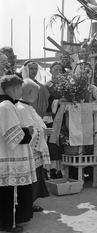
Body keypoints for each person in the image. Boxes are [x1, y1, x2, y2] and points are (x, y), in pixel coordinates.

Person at [0, 75, 36, 233]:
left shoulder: (8, 105)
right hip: (9, 156)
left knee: (8, 190)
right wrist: (29, 131)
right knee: (8, 191)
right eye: (21, 88)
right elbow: (13, 135)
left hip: (11, 155)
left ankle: (9, 221)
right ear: (14, 89)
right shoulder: (6, 106)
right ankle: (8, 223)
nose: (22, 91)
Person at [17, 79, 52, 212]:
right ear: (30, 92)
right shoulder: (20, 108)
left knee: (35, 178)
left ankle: (29, 203)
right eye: (36, 93)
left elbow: (37, 125)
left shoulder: (29, 107)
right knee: (29, 179)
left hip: (35, 150)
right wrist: (42, 131)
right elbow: (27, 129)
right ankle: (26, 205)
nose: (37, 96)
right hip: (28, 150)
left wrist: (43, 130)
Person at [44, 62, 65, 179]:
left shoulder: (66, 85)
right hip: (52, 117)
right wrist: (58, 102)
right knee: (52, 143)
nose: (58, 72)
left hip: (64, 117)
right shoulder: (47, 86)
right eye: (56, 70)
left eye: (60, 70)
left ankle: (61, 169)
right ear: (50, 71)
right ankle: (51, 169)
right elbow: (46, 102)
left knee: (61, 142)